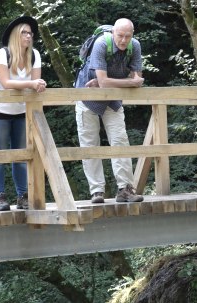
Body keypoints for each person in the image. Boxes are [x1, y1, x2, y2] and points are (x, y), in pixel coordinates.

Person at [75, 18, 144, 204]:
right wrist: (128, 82)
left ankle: (125, 190)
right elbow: (129, 81)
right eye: (120, 36)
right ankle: (97, 191)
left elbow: (138, 78)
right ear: (113, 33)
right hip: (87, 97)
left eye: (127, 36)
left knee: (120, 140)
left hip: (113, 100)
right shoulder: (100, 43)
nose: (123, 40)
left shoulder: (135, 46)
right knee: (90, 144)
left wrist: (107, 80)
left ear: (132, 35)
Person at [0, 16, 47, 211]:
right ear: (15, 35)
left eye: (30, 33)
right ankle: (0, 197)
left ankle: (23, 196)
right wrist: (31, 84)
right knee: (0, 153)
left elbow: (36, 84)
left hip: (22, 110)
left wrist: (37, 85)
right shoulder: (2, 54)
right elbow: (6, 83)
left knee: (21, 155)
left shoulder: (35, 54)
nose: (29, 36)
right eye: (24, 33)